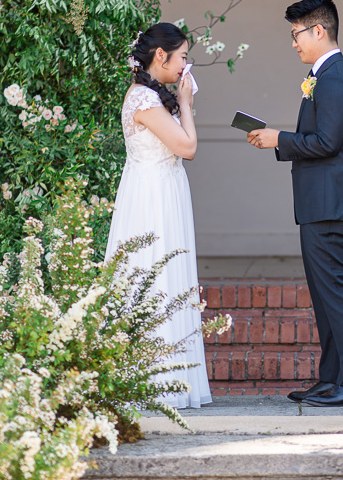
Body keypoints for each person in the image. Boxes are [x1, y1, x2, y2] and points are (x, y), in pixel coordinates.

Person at [247, 0, 343, 407]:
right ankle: (333, 376)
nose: (294, 42)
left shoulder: (334, 76)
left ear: (319, 31)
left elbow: (328, 142)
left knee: (337, 292)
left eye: (297, 34)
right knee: (325, 295)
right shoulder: (326, 73)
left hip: (331, 202)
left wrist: (277, 140)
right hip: (321, 201)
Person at [103, 21, 211, 409]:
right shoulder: (143, 100)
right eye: (182, 56)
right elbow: (187, 146)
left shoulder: (152, 95)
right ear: (161, 56)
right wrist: (185, 103)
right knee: (153, 276)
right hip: (151, 199)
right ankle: (153, 379)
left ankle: (172, 378)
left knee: (170, 277)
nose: (186, 64)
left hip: (165, 192)